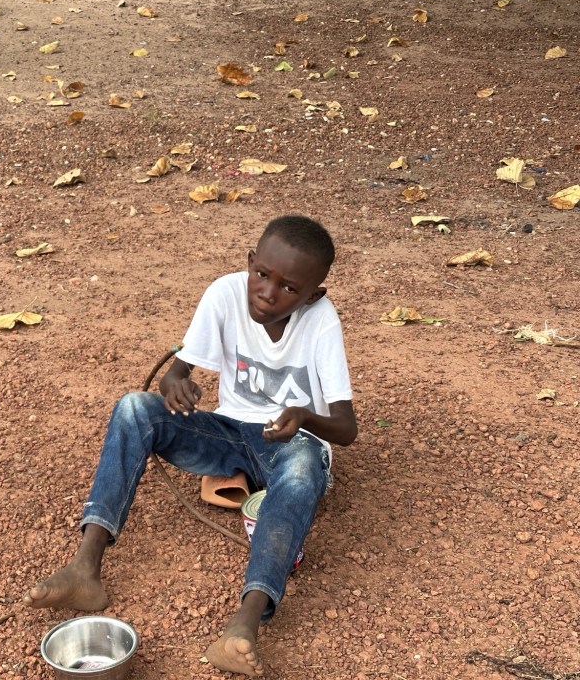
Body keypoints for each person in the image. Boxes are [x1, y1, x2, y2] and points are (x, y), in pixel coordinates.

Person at [24, 215, 357, 676]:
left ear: (313, 294)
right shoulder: (224, 294)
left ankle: (245, 622)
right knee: (134, 407)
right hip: (228, 435)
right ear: (250, 264)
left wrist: (304, 416)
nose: (267, 292)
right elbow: (176, 373)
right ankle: (86, 567)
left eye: (289, 288)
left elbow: (345, 427)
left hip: (290, 447)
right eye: (262, 275)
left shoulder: (321, 322)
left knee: (302, 462)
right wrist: (176, 386)